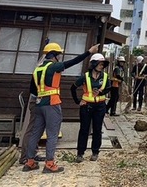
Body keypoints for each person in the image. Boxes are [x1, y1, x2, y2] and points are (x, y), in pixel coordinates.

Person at [23, 41, 99, 174]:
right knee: (52, 133)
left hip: (39, 103)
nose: (60, 57)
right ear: (54, 55)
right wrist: (89, 52)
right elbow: (73, 62)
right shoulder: (53, 67)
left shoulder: (38, 69)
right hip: (52, 103)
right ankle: (50, 164)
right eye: (59, 54)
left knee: (36, 132)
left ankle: (30, 162)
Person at [70, 53, 111, 162]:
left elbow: (109, 89)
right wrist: (78, 101)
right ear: (93, 64)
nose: (101, 66)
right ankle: (80, 153)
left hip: (100, 106)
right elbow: (73, 88)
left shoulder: (105, 77)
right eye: (99, 64)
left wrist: (101, 92)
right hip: (86, 106)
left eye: (103, 64)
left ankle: (95, 152)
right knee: (84, 129)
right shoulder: (85, 77)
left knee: (97, 129)